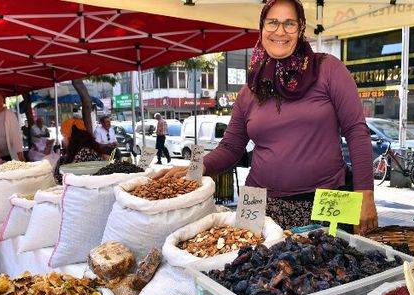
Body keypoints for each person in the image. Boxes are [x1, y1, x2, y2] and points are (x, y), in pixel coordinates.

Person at [154, 0, 377, 234]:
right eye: (272, 23)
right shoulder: (250, 90)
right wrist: (196, 167)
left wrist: (366, 193)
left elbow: (356, 130)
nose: (280, 31)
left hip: (327, 200)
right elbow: (231, 147)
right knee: (253, 267)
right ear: (262, 28)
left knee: (333, 267)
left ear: (300, 29)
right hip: (259, 202)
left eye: (289, 23)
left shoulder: (328, 69)